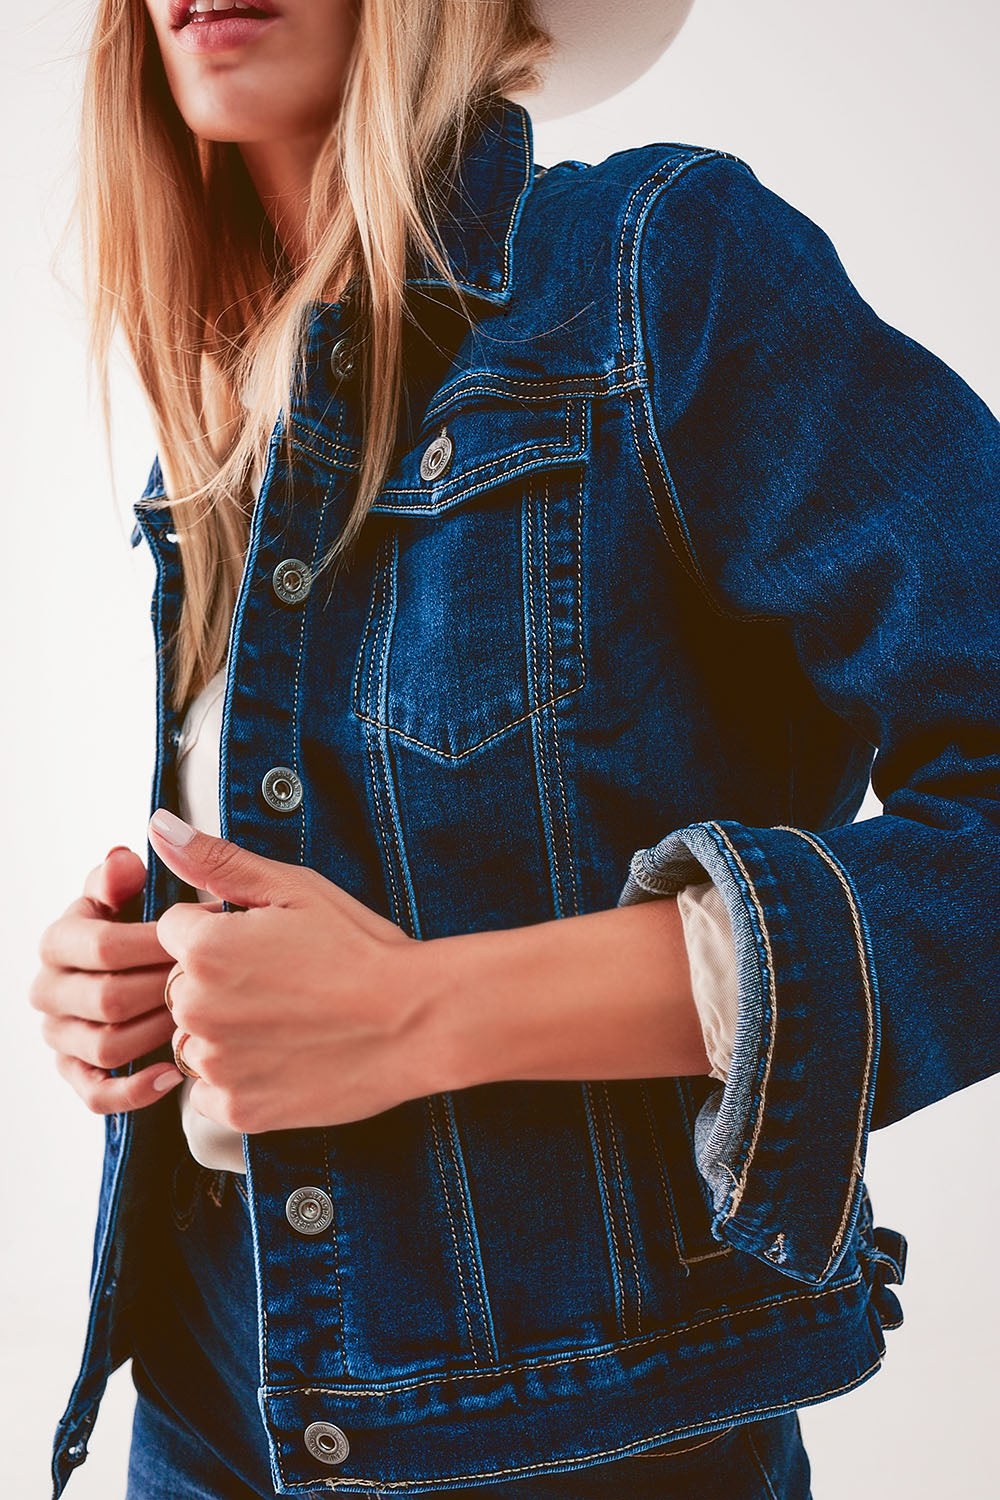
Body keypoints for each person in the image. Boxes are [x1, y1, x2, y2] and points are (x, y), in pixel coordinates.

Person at [31, 0, 1000, 1496]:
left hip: (583, 1440)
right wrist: (153, 993)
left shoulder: (655, 271)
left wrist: (421, 1011)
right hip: (213, 1398)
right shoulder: (222, 406)